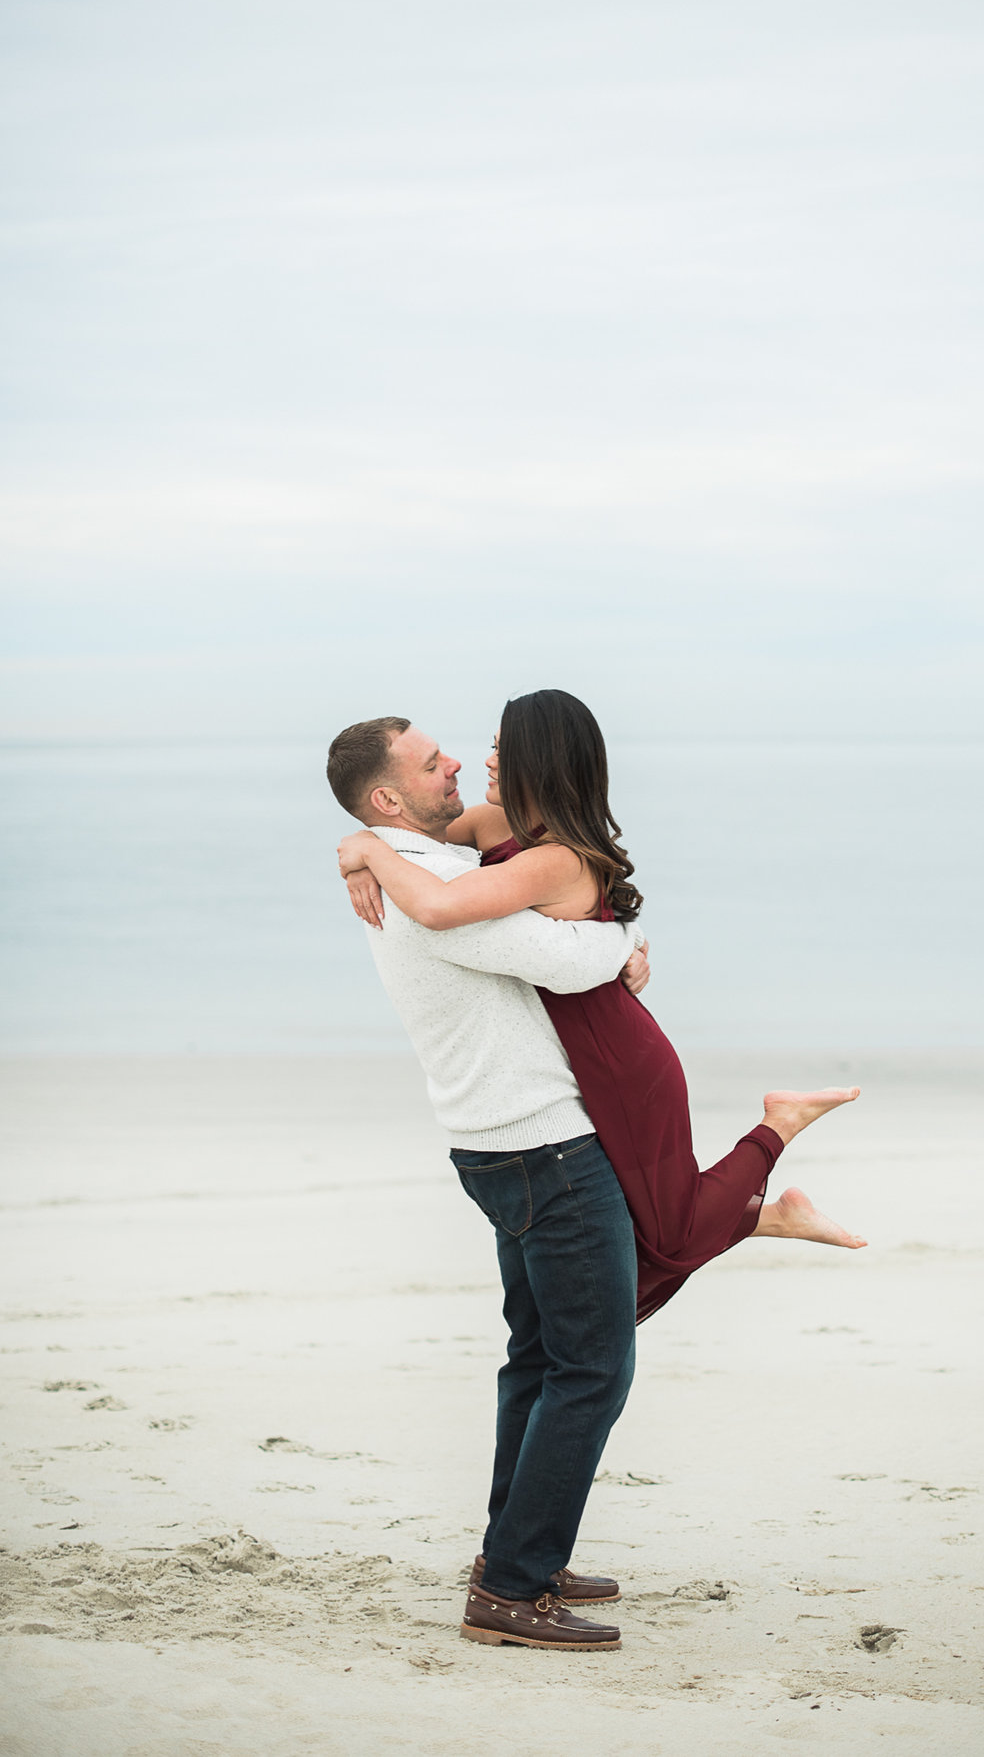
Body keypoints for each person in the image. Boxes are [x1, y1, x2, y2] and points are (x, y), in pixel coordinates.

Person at [336, 689, 865, 1326]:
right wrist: (359, 843)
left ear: (538, 763)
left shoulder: (555, 856)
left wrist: (369, 853)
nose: (478, 762)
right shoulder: (491, 826)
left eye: (501, 750)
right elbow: (414, 833)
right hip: (585, 1044)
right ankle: (765, 1216)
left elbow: (440, 906)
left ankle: (778, 1132)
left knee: (662, 1224)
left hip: (615, 1052)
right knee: (647, 1215)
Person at [326, 713, 655, 1650]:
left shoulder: (395, 861)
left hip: (499, 1141)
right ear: (389, 797)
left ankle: (517, 1555)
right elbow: (568, 956)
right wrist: (623, 940)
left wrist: (354, 850)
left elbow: (556, 948)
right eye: (433, 762)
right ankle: (511, 1587)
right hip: (542, 1145)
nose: (457, 763)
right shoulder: (430, 883)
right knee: (593, 1368)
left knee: (541, 1357)